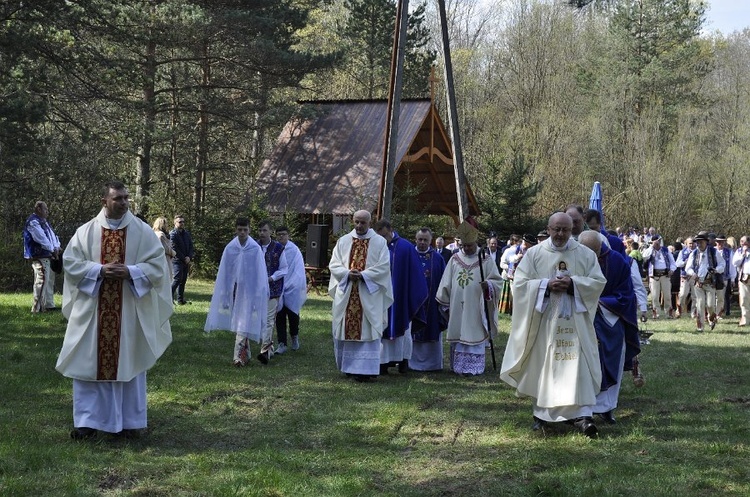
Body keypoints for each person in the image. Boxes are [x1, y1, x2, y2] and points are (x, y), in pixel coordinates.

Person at [56, 180, 173, 439]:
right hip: (93, 312)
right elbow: (71, 263)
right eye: (118, 198)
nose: (123, 202)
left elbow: (157, 267)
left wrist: (131, 272)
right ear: (104, 201)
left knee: (128, 364)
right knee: (88, 366)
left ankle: (129, 424)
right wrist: (99, 270)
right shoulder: (85, 232)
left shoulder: (142, 232)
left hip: (129, 313)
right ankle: (86, 424)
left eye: (126, 198)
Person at [500, 212, 606, 438]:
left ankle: (583, 416)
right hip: (545, 322)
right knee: (544, 365)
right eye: (556, 229)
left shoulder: (585, 254)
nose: (560, 234)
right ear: (548, 228)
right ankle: (542, 414)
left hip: (575, 323)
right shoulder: (535, 254)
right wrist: (545, 286)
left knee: (579, 366)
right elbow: (519, 284)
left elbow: (598, 282)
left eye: (565, 230)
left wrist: (573, 285)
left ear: (572, 230)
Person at [578, 231, 640, 425]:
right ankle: (583, 410)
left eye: (593, 253)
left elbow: (626, 294)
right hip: (581, 318)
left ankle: (607, 408)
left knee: (612, 361)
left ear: (599, 248)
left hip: (610, 320)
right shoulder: (574, 257)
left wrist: (600, 303)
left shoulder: (617, 262)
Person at [328, 210, 393, 382]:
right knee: (347, 328)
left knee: (367, 330)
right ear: (352, 221)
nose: (359, 225)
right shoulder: (343, 241)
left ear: (370, 223)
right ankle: (348, 368)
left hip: (368, 294)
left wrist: (364, 275)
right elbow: (334, 264)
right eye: (356, 222)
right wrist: (347, 273)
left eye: (363, 222)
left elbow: (384, 266)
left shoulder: (379, 242)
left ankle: (366, 370)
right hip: (348, 291)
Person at [436, 220, 502, 376]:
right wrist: (445, 301)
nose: (466, 248)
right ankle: (457, 367)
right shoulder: (454, 259)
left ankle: (474, 368)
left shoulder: (485, 259)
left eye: (470, 246)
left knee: (474, 330)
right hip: (457, 305)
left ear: (475, 243)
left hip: (476, 306)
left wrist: (489, 285)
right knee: (459, 332)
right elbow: (446, 281)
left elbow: (497, 281)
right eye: (464, 246)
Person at [204, 218, 269, 366]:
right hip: (234, 289)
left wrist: (259, 292)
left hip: (249, 290)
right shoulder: (231, 248)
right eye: (239, 229)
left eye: (245, 230)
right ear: (235, 230)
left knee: (242, 320)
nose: (242, 232)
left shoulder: (254, 248)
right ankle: (246, 353)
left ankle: (238, 357)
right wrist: (225, 292)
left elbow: (260, 272)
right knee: (240, 320)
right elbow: (226, 270)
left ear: (249, 230)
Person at [374, 219, 428, 374]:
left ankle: (403, 360)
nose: (383, 240)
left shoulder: (406, 247)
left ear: (390, 229)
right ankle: (383, 363)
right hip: (381, 296)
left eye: (384, 236)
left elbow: (416, 274)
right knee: (382, 328)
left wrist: (412, 295)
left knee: (403, 331)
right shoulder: (376, 247)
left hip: (401, 298)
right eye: (380, 237)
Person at [411, 227, 447, 371]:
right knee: (412, 330)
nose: (422, 242)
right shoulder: (409, 255)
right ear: (415, 239)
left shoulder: (437, 258)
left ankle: (432, 364)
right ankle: (410, 363)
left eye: (425, 240)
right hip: (413, 303)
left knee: (431, 328)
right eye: (420, 239)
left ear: (431, 241)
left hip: (432, 303)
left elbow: (444, 280)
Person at [257, 220, 288, 363]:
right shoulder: (254, 247)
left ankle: (264, 351)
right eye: (260, 230)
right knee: (261, 320)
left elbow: (284, 269)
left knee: (269, 320)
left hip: (273, 289)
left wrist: (272, 278)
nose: (262, 233)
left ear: (270, 232)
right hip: (256, 289)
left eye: (265, 230)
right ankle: (268, 347)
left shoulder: (278, 248)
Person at [23, 200, 62, 312]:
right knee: (42, 279)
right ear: (38, 209)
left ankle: (49, 305)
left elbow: (52, 236)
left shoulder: (44, 222)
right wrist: (52, 249)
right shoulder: (33, 222)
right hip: (39, 255)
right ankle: (37, 308)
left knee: (49, 280)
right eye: (45, 209)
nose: (47, 212)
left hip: (48, 255)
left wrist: (57, 247)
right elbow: (40, 238)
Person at [274, 226, 307, 353]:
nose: (281, 237)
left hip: (292, 287)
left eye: (283, 234)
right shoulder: (275, 248)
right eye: (279, 234)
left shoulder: (294, 250)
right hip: (279, 286)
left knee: (293, 314)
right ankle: (282, 343)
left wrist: (292, 284)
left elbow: (298, 269)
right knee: (279, 315)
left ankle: (294, 337)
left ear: (288, 235)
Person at [685, 231, 725, 332]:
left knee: (710, 305)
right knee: (700, 304)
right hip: (698, 283)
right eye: (697, 242)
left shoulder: (713, 251)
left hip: (710, 282)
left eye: (701, 242)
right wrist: (693, 274)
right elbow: (688, 268)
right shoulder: (694, 253)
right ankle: (700, 326)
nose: (698, 244)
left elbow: (722, 264)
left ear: (706, 242)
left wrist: (716, 270)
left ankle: (712, 318)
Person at [641, 235, 677, 319]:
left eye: (658, 241)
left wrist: (671, 270)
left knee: (667, 295)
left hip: (665, 275)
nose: (657, 243)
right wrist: (652, 247)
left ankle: (669, 313)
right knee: (655, 296)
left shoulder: (665, 250)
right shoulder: (649, 251)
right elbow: (644, 257)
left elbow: (673, 262)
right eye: (656, 242)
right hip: (654, 276)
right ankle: (656, 313)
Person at [170, 214, 195, 305]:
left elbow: (191, 247)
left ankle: (180, 300)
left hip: (186, 260)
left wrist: (189, 256)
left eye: (183, 222)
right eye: (180, 222)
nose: (182, 223)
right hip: (177, 260)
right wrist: (183, 257)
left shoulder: (187, 234)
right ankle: (169, 298)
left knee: (183, 280)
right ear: (175, 223)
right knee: (177, 279)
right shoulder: (172, 234)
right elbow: (174, 248)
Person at [714, 234, 736, 318]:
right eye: (719, 242)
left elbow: (732, 265)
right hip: (712, 277)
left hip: (724, 277)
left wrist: (733, 278)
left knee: (720, 297)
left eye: (722, 242)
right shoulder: (712, 251)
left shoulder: (729, 252)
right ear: (716, 242)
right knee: (712, 295)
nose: (720, 243)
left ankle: (718, 314)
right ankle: (710, 313)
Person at [675, 237, 696, 319]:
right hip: (685, 276)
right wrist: (684, 262)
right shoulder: (682, 252)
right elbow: (677, 263)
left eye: (693, 243)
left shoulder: (698, 252)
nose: (692, 245)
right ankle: (679, 310)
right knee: (683, 294)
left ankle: (693, 313)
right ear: (686, 244)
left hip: (694, 277)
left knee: (695, 296)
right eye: (690, 243)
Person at [732, 235, 750, 327]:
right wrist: (743, 254)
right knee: (743, 300)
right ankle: (745, 321)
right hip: (744, 279)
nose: (743, 243)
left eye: (745, 241)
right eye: (741, 241)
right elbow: (735, 263)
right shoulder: (739, 251)